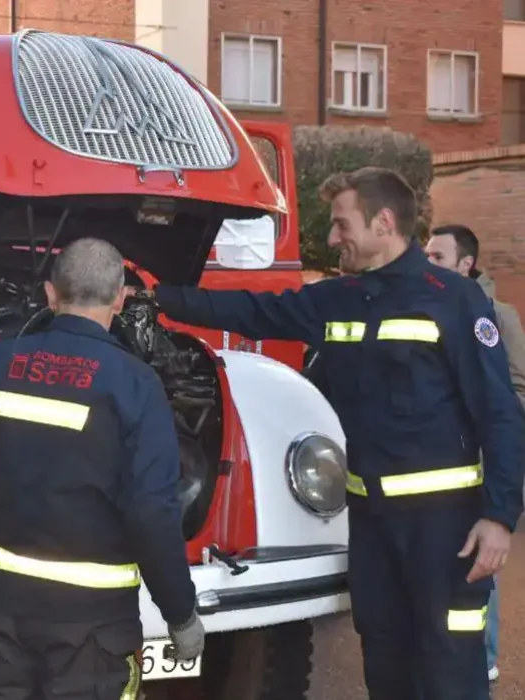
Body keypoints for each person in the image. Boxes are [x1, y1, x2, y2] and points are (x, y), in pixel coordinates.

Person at [148, 166, 525, 700]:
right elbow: (255, 311)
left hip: (444, 530)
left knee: (449, 671)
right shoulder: (340, 297)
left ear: (384, 222)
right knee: (385, 662)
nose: (331, 238)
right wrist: (157, 296)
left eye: (342, 224)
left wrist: (499, 516)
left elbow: (501, 412)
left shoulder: (454, 300)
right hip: (369, 525)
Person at [0, 237, 204, 700]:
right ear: (118, 297)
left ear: (51, 294)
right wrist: (180, 613)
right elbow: (153, 513)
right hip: (92, 629)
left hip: (1, 617)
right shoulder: (136, 384)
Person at [425, 223, 525, 683]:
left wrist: (482, 418)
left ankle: (482, 657)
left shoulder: (497, 315)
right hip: (432, 463)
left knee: (481, 558)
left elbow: (518, 387)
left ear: (466, 264)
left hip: (478, 459)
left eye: (438, 258)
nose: (428, 265)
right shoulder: (428, 307)